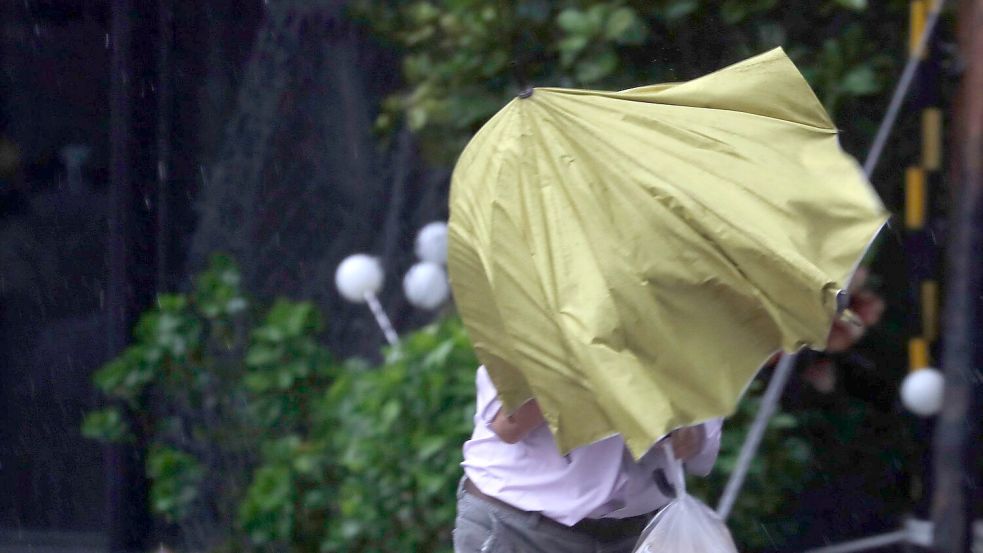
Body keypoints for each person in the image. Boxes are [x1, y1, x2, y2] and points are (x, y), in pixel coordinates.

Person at [453, 365, 723, 553]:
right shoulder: (538, 299)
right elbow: (508, 424)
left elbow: (694, 445)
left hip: (637, 533)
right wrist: (594, 363)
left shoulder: (686, 311)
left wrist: (677, 427)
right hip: (519, 527)